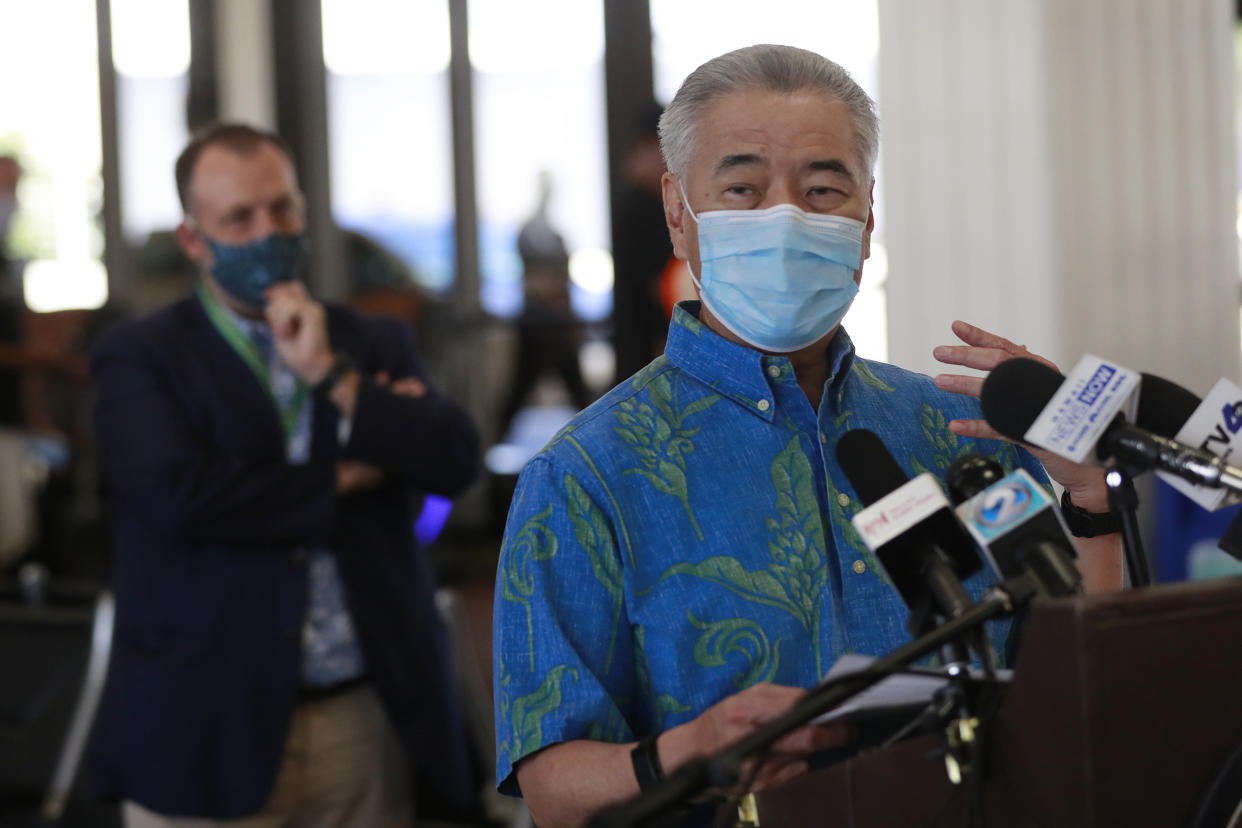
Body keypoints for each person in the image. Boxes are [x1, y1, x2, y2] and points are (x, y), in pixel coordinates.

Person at [491, 44, 1122, 826]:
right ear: (677, 213)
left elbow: (1078, 679)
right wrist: (691, 751)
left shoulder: (957, 430)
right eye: (742, 188)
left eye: (823, 188)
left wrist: (1091, 492)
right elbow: (553, 787)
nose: (784, 219)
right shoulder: (585, 475)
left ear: (865, 217)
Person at [90, 122, 481, 826]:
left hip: (365, 713)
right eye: (239, 218)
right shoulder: (142, 356)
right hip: (205, 722)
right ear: (193, 240)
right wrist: (344, 478)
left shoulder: (371, 340)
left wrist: (335, 379)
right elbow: (177, 499)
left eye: (282, 209)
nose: (268, 231)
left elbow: (454, 461)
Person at [497, 171, 592, 436]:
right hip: (540, 321)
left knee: (577, 393)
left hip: (554, 320)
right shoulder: (532, 232)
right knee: (521, 390)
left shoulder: (543, 232)